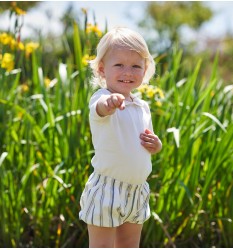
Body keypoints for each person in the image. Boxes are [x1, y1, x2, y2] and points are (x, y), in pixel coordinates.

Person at [79, 27, 162, 248]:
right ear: (102, 69)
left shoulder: (142, 106)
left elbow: (147, 140)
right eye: (119, 65)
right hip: (108, 188)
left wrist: (156, 145)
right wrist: (110, 103)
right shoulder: (103, 97)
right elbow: (100, 110)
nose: (128, 72)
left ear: (144, 72)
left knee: (129, 245)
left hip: (137, 189)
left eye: (136, 66)